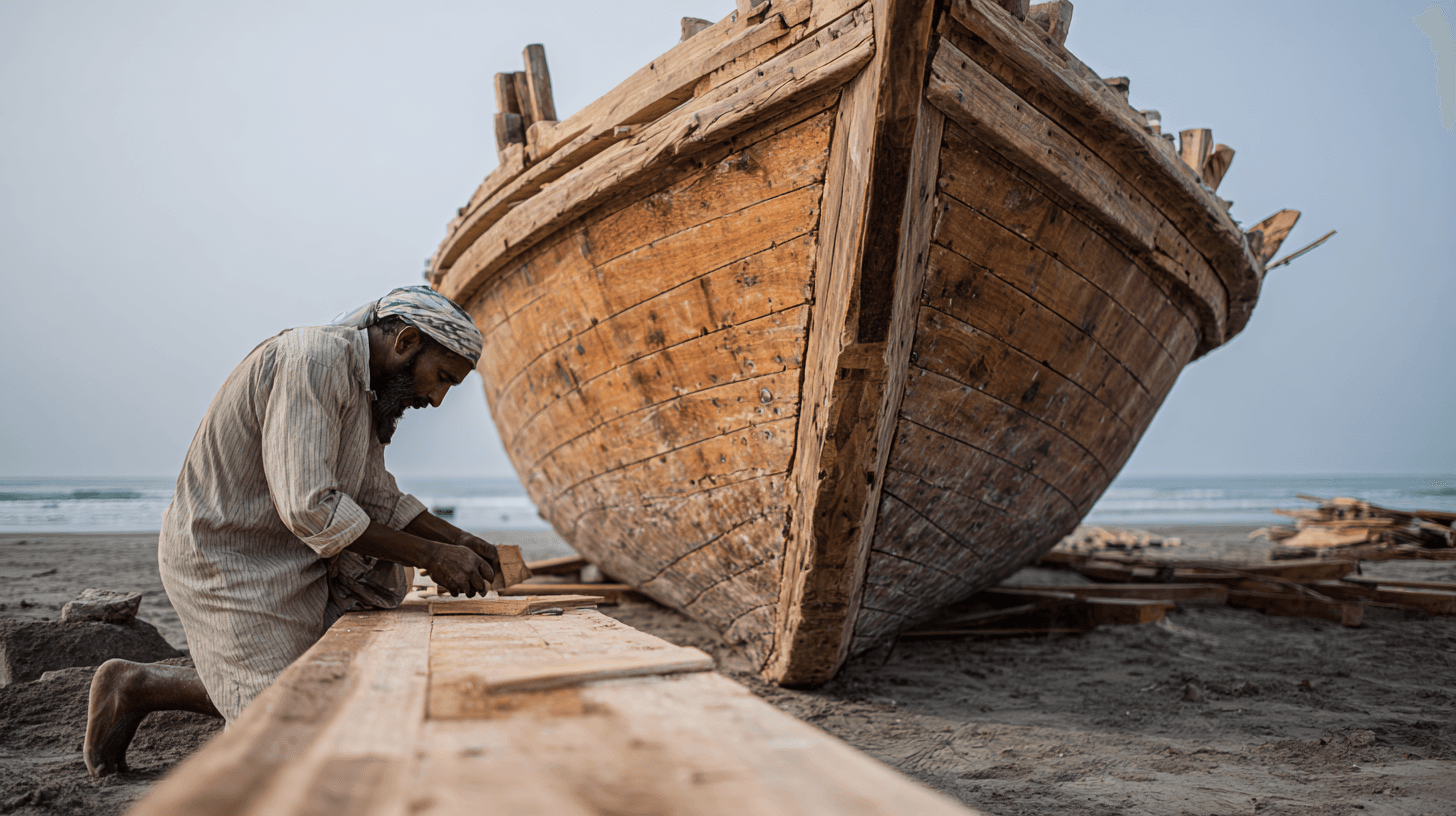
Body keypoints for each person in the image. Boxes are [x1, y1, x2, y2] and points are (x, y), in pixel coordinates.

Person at [84, 286, 501, 777]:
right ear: (407, 341)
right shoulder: (315, 361)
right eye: (442, 378)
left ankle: (137, 686)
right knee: (290, 730)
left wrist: (458, 540)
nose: (435, 398)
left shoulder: (363, 387)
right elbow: (312, 508)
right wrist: (433, 555)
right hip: (228, 560)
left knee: (319, 681)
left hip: (293, 555)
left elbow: (375, 496)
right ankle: (130, 689)